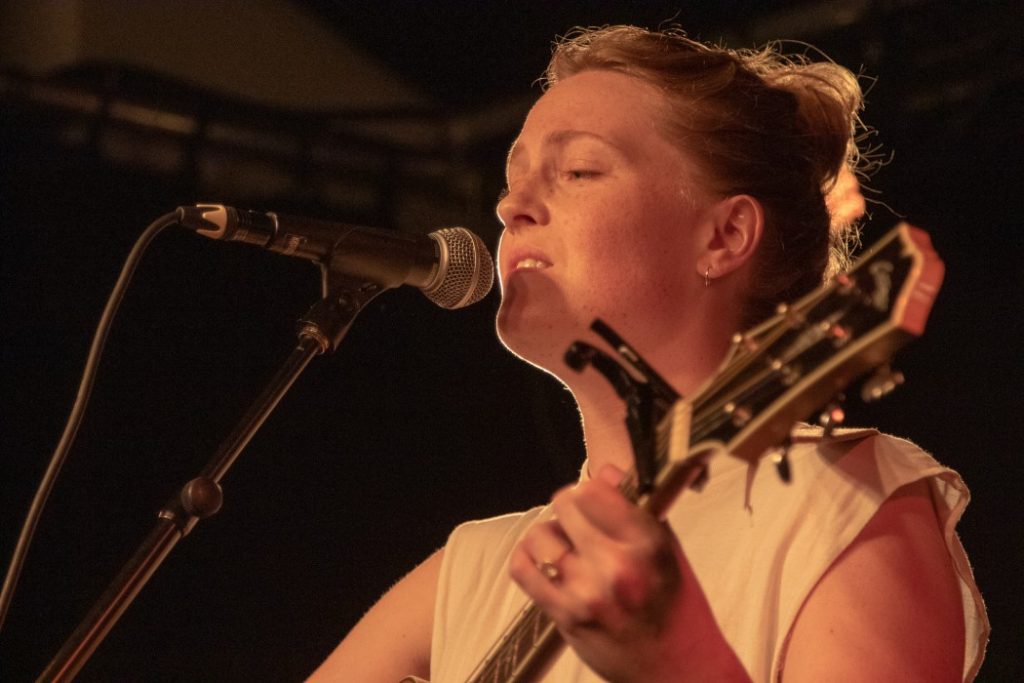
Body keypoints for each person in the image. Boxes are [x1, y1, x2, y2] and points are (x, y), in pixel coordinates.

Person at [308, 25, 988, 682]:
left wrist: (675, 663)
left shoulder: (846, 503)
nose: (513, 208)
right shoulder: (474, 572)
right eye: (512, 181)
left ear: (724, 236)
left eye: (578, 169)